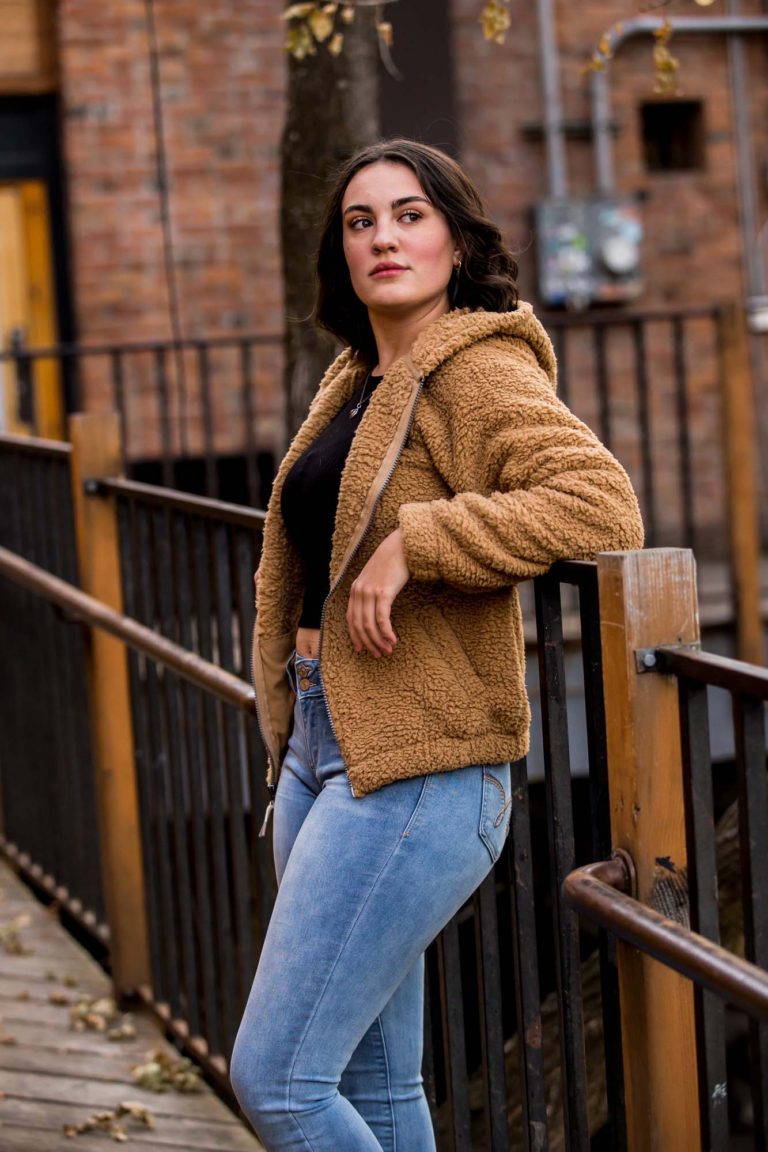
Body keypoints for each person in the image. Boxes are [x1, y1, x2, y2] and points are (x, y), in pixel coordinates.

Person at [230, 138, 644, 1151]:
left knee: (278, 1080)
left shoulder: (477, 367)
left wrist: (421, 541)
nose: (384, 237)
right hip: (329, 744)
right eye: (361, 220)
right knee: (373, 1086)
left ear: (456, 241)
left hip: (424, 767)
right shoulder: (362, 375)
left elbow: (601, 507)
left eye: (411, 215)